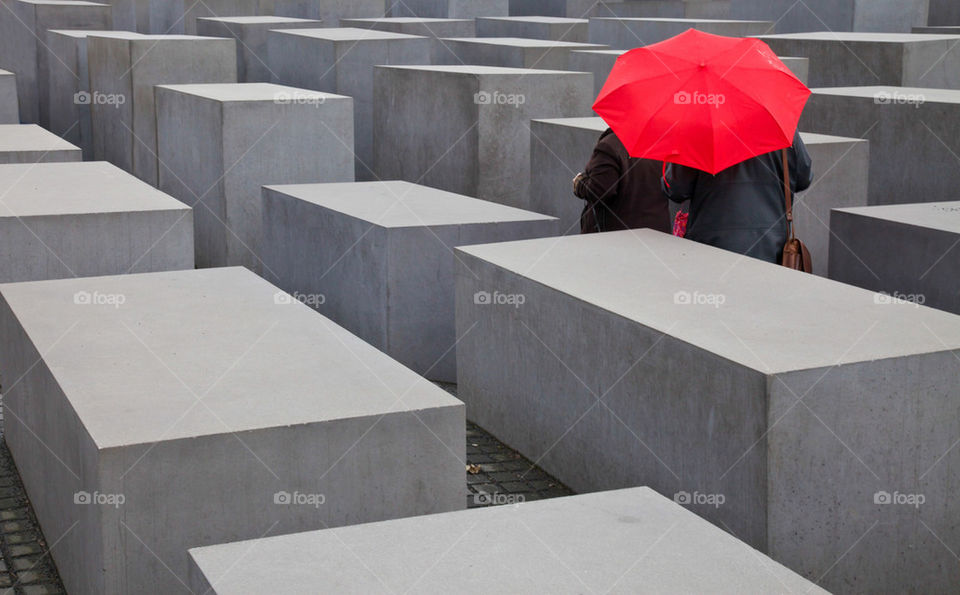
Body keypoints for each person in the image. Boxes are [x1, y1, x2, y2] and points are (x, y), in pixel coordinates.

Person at [661, 131, 813, 264]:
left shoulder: (696, 129)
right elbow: (803, 177)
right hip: (772, 247)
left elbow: (676, 189)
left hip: (711, 247)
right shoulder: (781, 127)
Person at [572, 128, 671, 234]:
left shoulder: (609, 146)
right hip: (657, 234)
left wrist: (580, 183)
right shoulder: (662, 141)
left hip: (617, 236)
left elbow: (599, 191)